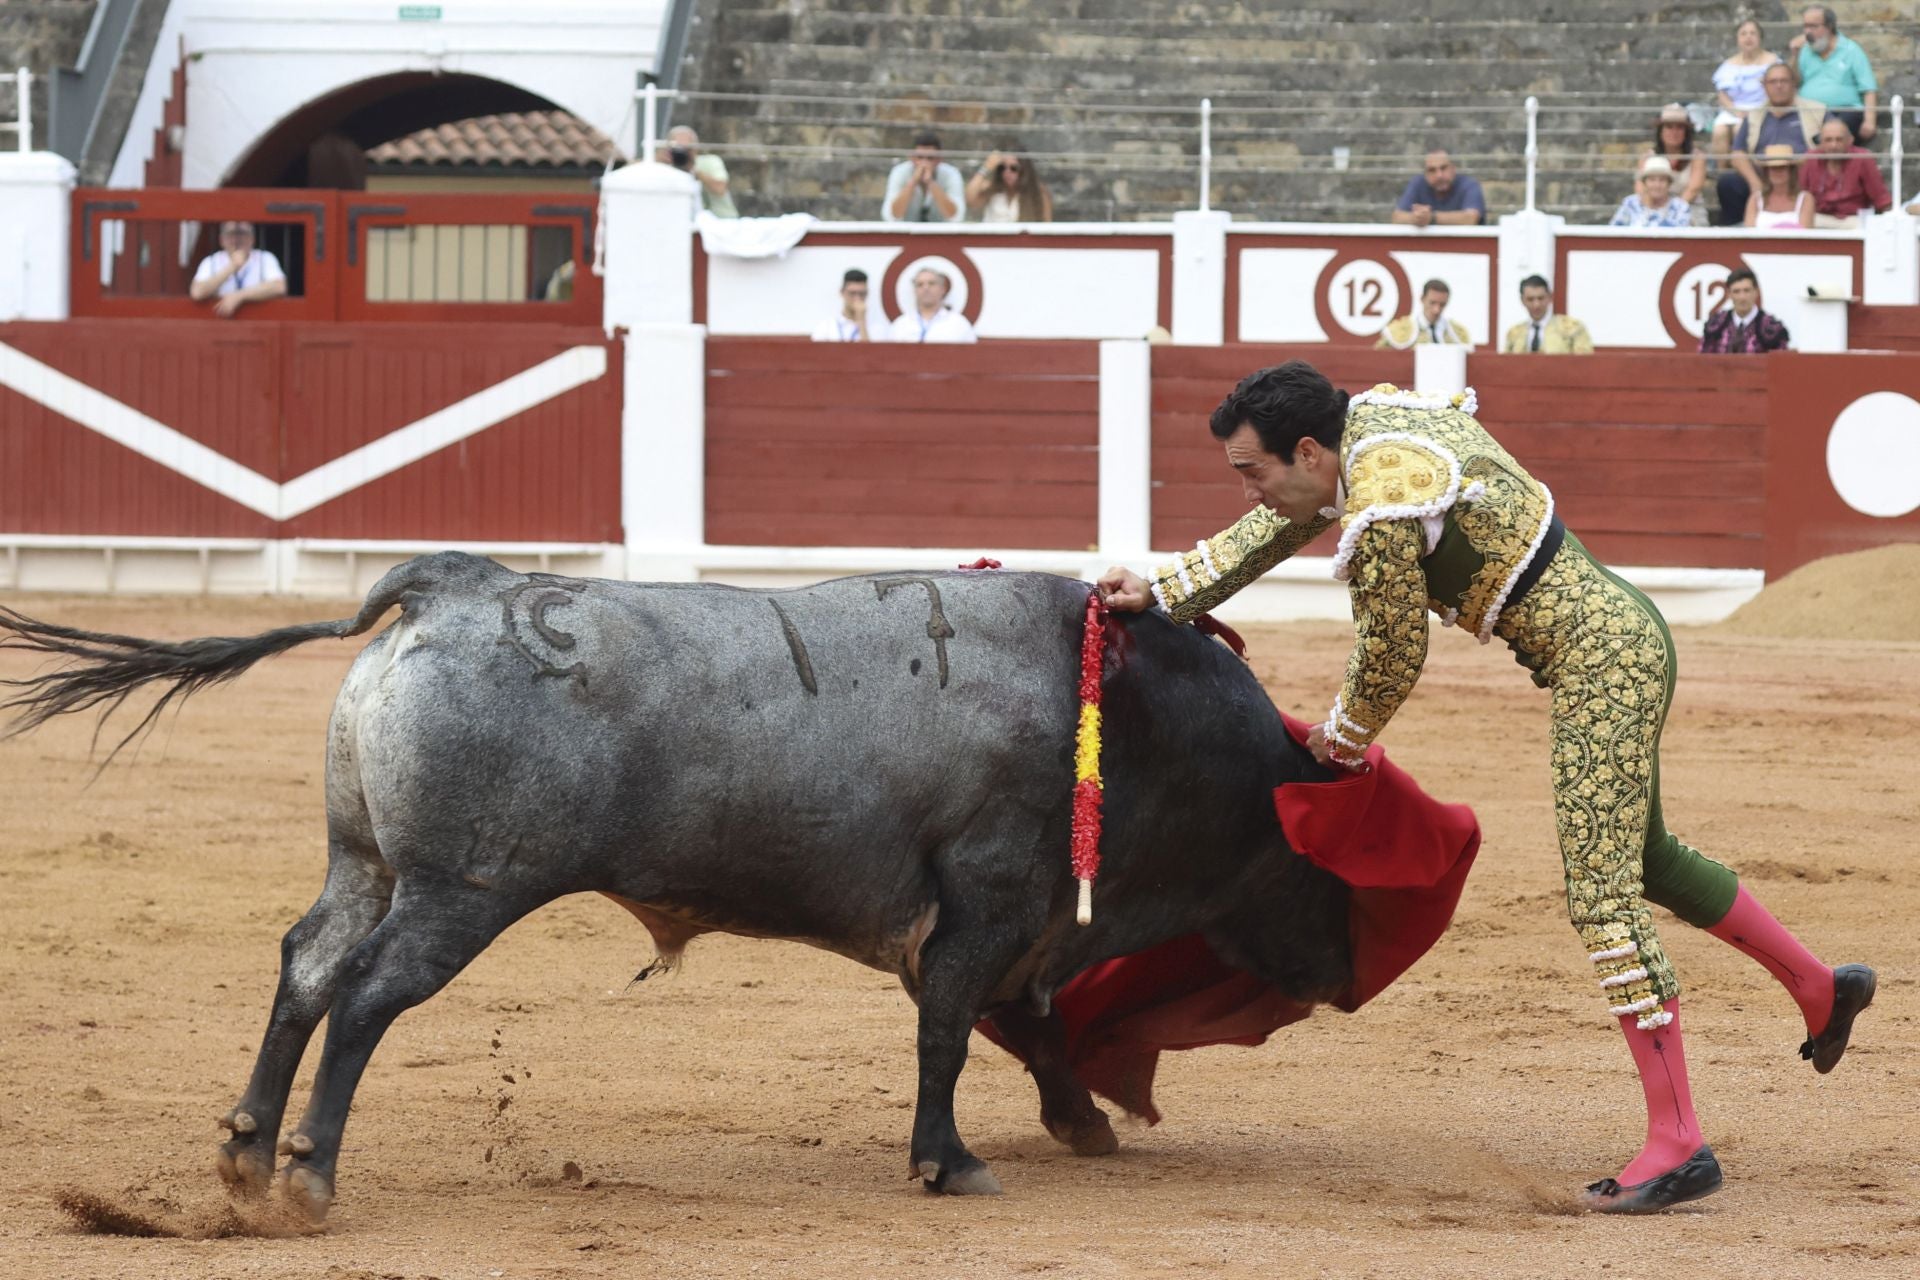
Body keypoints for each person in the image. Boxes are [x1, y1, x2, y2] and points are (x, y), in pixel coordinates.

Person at [1095, 361, 1873, 1213]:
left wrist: (1343, 740)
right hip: (1625, 636)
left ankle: (1679, 1141)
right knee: (1647, 859)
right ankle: (1819, 987)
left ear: (1311, 450)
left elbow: (1392, 653)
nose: (1249, 491)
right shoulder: (1378, 426)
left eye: (1253, 472)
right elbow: (1295, 517)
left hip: (1602, 667)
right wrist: (1166, 588)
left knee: (1601, 897)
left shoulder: (1386, 494)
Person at [1718, 62, 1826, 226]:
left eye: (1784, 81)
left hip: (1802, 176)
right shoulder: (1754, 115)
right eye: (1773, 82)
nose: (1779, 86)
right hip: (1763, 176)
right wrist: (1755, 184)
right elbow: (1737, 153)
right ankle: (1737, 235)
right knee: (1728, 183)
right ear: (1764, 86)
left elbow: (1835, 138)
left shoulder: (1817, 111)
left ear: (1793, 83)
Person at [1789, 6, 1877, 142]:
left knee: (1836, 128)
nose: (1807, 32)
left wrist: (1870, 121)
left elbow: (1868, 88)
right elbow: (1793, 83)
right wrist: (1795, 56)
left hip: (1844, 112)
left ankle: (1819, 141)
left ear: (1829, 27)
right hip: (1809, 112)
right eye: (1805, 26)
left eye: (1813, 26)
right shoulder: (1804, 50)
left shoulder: (1850, 49)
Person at [1711, 19, 1782, 164]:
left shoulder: (1772, 62)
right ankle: (1722, 172)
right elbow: (1722, 94)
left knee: (1739, 129)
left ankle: (1745, 172)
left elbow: (1778, 90)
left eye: (1752, 33)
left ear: (1760, 38)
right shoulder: (1729, 64)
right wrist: (1735, 111)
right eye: (1743, 34)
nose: (1748, 37)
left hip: (1762, 108)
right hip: (1734, 109)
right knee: (1719, 131)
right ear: (1738, 39)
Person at [1799, 116, 1891, 228]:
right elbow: (1800, 195)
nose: (1834, 145)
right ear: (1821, 142)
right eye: (1828, 140)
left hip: (1854, 219)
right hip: (1819, 217)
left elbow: (1881, 199)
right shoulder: (1811, 159)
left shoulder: (1863, 159)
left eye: (1839, 140)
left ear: (1850, 140)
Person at [189, 221, 288, 319]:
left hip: (258, 322)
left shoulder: (265, 258)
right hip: (219, 323)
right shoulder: (211, 261)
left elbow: (279, 287)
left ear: (252, 239)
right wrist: (232, 267)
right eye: (231, 234)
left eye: (242, 234)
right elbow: (197, 292)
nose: (237, 239)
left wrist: (238, 296)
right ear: (222, 240)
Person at [1699, 268, 1791, 353]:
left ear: (1756, 292)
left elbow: (1779, 365)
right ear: (1729, 294)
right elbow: (1704, 362)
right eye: (1736, 291)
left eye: (1746, 290)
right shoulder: (1715, 325)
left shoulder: (1773, 328)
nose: (1742, 297)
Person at [883, 133, 965, 224]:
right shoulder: (899, 172)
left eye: (930, 158)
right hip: (905, 233)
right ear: (912, 158)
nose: (924, 163)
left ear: (939, 159)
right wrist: (913, 181)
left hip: (941, 234)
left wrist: (931, 183)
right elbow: (893, 215)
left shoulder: (951, 174)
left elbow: (955, 216)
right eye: (920, 157)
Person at [1391, 150, 1486, 227]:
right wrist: (1417, 218)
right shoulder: (1418, 183)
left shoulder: (1469, 185)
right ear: (1425, 174)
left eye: (1443, 168)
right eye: (1432, 170)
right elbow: (1397, 217)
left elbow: (1471, 218)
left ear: (1453, 169)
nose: (1439, 175)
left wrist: (1432, 218)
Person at [658, 127, 737, 219]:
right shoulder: (663, 168)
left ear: (695, 148)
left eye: (686, 149)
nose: (681, 154)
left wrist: (693, 169)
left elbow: (720, 189)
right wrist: (656, 161)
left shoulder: (710, 162)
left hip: (719, 220)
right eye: (677, 149)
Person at [1502, 275, 1592, 354]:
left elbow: (1583, 364)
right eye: (1530, 299)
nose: (1536, 305)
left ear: (1549, 297)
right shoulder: (1514, 333)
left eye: (1540, 298)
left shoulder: (1573, 327)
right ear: (1522, 300)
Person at [887, 267, 977, 343]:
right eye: (920, 284)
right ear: (915, 290)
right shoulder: (900, 325)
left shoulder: (959, 324)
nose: (926, 288)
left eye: (931, 283)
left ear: (942, 289)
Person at [1375, 279, 1471, 349]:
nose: (1436, 310)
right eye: (1432, 303)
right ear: (1422, 299)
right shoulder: (1399, 330)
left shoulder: (1457, 333)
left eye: (1442, 305)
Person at [965, 150, 1053, 223]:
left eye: (1013, 168)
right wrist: (987, 167)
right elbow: (970, 199)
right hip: (992, 241)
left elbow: (1047, 224)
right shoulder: (992, 188)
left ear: (1024, 170)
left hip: (1021, 242)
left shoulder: (1037, 192)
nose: (1007, 172)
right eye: (1002, 168)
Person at [1649, 104, 1708, 212]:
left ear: (1686, 132)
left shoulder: (1697, 157)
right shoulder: (1649, 156)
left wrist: (1672, 213)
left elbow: (1693, 189)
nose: (1674, 132)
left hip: (1689, 209)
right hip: (1654, 210)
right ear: (1660, 131)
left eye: (1680, 127)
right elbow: (1641, 189)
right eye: (1669, 127)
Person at [1610, 155, 1693, 229]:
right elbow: (1613, 232)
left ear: (1669, 183)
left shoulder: (1680, 207)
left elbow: (1684, 239)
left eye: (1662, 180)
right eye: (1652, 180)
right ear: (1644, 183)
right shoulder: (1630, 203)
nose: (1657, 185)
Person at [811, 268, 889, 343]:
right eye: (852, 293)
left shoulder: (877, 328)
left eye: (862, 294)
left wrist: (861, 322)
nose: (857, 298)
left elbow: (873, 354)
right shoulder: (826, 326)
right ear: (842, 292)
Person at [1747, 145, 1815, 230]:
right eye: (1773, 168)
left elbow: (1805, 236)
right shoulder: (1755, 199)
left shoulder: (1805, 199)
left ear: (1791, 170)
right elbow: (1748, 235)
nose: (1777, 172)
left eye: (1782, 167)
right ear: (1767, 171)